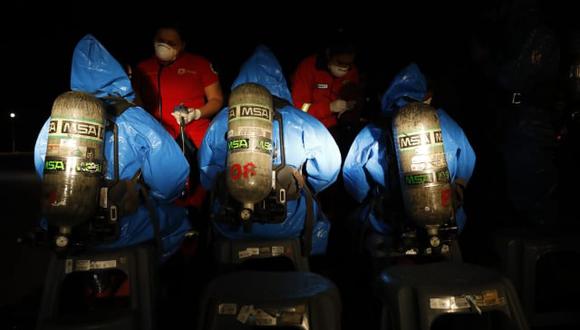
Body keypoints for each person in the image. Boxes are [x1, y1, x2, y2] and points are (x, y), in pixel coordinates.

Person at [34, 34, 191, 261]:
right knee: (180, 219)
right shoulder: (134, 117)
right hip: (123, 229)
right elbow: (171, 178)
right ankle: (147, 285)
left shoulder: (56, 119)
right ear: (124, 72)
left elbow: (44, 169)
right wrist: (152, 195)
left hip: (63, 227)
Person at [199, 45, 341, 256]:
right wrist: (305, 184)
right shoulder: (301, 121)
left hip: (233, 224)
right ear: (279, 81)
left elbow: (207, 174)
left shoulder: (222, 120)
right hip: (290, 222)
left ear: (242, 79)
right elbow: (331, 166)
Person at [342, 63, 476, 263]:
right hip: (444, 223)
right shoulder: (446, 123)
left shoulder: (374, 130)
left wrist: (369, 197)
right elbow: (468, 161)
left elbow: (352, 175)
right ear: (425, 95)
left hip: (388, 226)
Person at [133, 23, 224, 209]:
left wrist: (196, 113)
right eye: (161, 41)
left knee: (214, 163)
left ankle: (200, 211)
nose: (164, 45)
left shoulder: (200, 65)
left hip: (195, 129)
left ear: (182, 45)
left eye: (171, 42)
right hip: (157, 133)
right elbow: (136, 104)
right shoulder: (142, 68)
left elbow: (216, 100)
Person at [290, 32, 360, 132]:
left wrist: (351, 106)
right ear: (328, 54)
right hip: (309, 127)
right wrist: (329, 108)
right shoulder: (308, 68)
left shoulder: (352, 72)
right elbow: (299, 109)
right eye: (340, 63)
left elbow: (356, 99)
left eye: (348, 65)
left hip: (340, 129)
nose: (344, 68)